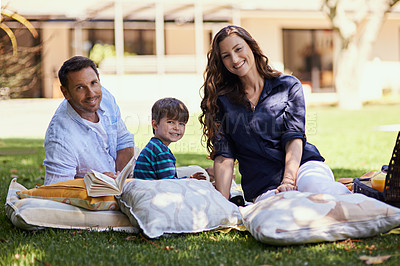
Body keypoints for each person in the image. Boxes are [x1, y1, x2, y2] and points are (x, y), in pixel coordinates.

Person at [199, 25, 350, 203]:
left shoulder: (287, 86)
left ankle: (357, 191)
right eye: (226, 56)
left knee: (318, 190)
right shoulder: (222, 101)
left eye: (238, 49)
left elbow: (293, 137)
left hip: (303, 166)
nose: (235, 58)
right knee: (290, 208)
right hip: (263, 184)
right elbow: (224, 156)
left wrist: (288, 180)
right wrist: (222, 206)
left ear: (251, 47)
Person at [43, 56, 134, 185]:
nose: (91, 94)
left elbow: (123, 141)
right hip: (92, 195)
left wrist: (120, 178)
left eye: (93, 83)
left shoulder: (105, 98)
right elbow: (57, 188)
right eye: (80, 87)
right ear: (65, 92)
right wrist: (93, 181)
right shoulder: (60, 138)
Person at [134, 98, 206, 180]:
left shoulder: (155, 146)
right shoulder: (160, 152)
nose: (177, 127)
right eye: (171, 122)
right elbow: (169, 184)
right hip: (150, 191)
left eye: (181, 123)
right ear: (155, 125)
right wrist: (189, 180)